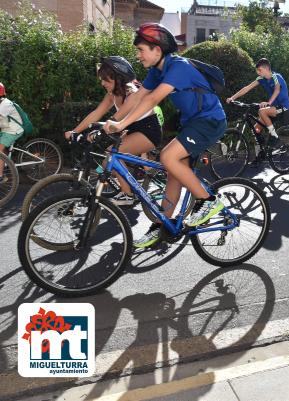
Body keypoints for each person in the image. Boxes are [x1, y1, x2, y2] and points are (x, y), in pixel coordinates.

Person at [105, 23, 227, 248]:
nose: (138, 55)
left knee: (168, 157)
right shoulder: (157, 71)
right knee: (174, 171)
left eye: (141, 50)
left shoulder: (178, 67)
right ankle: (165, 225)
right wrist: (111, 122)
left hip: (210, 121)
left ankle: (209, 201)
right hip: (192, 123)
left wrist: (122, 124)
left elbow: (152, 100)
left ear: (157, 50)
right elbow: (138, 97)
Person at [65, 56, 162, 205]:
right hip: (131, 130)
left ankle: (127, 194)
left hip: (148, 131)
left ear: (119, 78)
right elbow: (97, 113)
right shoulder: (113, 94)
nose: (102, 83)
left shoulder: (133, 94)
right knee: (106, 162)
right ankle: (131, 184)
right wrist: (75, 131)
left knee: (111, 153)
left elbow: (117, 119)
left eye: (106, 80)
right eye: (101, 79)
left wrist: (99, 131)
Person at [226, 58, 289, 165]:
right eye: (257, 71)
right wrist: (232, 98)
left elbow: (277, 90)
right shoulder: (261, 79)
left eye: (259, 70)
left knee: (262, 111)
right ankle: (260, 154)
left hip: (282, 107)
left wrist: (269, 103)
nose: (258, 72)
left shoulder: (276, 77)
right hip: (272, 108)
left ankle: (275, 137)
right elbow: (247, 88)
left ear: (266, 68)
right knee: (256, 129)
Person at [0, 82, 25, 183]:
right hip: (7, 129)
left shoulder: (5, 104)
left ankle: (1, 176)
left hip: (13, 131)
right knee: (2, 149)